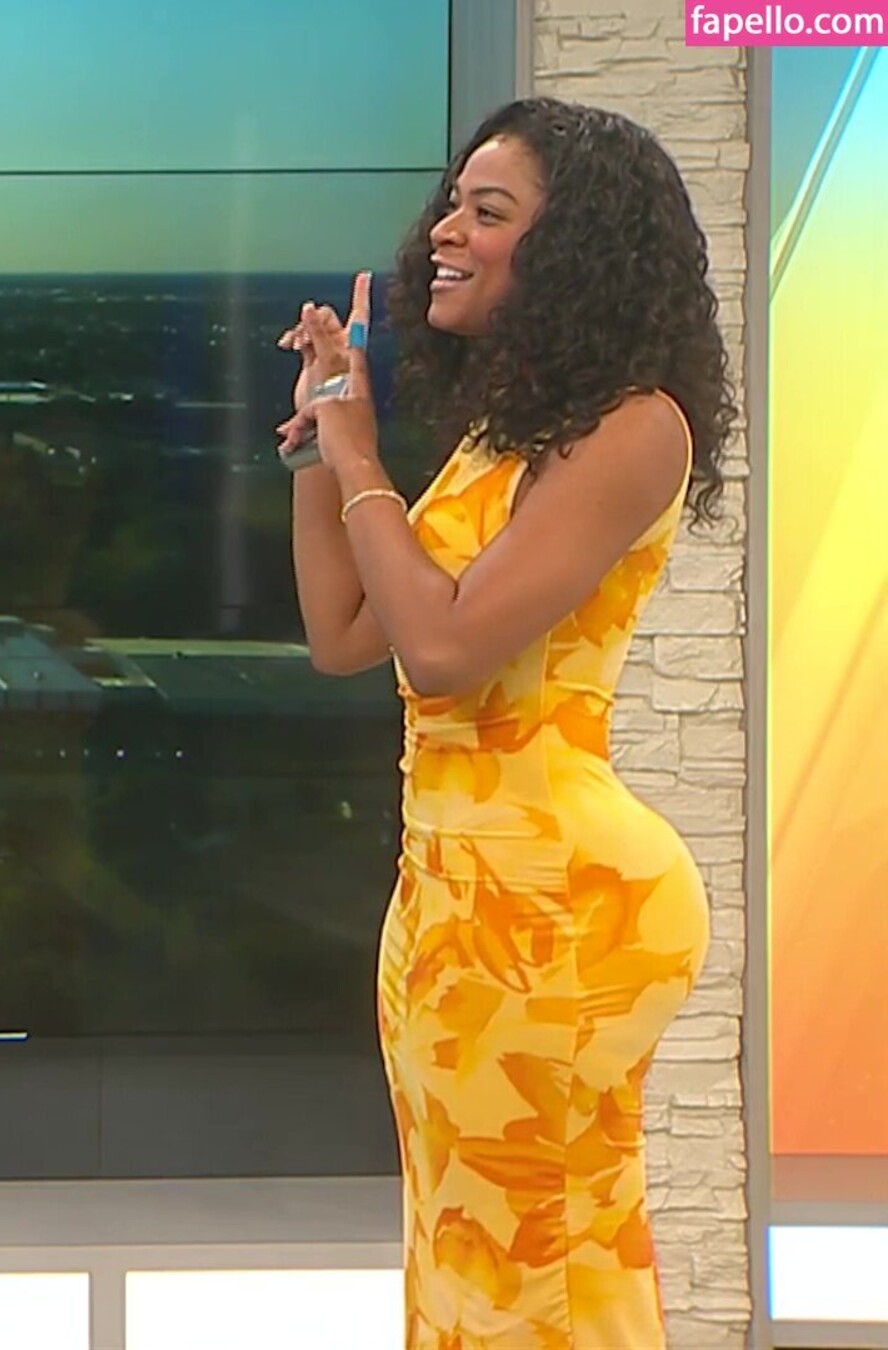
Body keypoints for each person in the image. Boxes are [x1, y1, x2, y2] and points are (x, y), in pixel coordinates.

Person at [276, 96, 734, 1350]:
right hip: (451, 899)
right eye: (451, 205)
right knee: (477, 1252)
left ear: (576, 247)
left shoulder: (637, 429)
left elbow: (442, 651)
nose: (445, 231)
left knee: (530, 1266)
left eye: (488, 211)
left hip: (554, 908)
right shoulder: (503, 440)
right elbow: (346, 634)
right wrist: (323, 445)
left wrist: (361, 455)